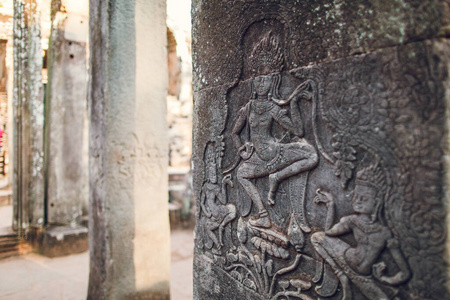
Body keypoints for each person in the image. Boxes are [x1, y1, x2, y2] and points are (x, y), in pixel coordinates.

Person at [231, 32, 318, 228]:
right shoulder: (249, 108)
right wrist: (241, 149)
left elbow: (298, 130)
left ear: (274, 80)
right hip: (257, 159)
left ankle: (277, 177)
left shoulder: (273, 108)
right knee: (241, 174)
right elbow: (234, 133)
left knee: (312, 155)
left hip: (275, 154)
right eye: (258, 77)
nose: (261, 82)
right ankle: (263, 215)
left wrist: (294, 102)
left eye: (266, 77)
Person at [311, 164, 410, 300]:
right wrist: (331, 205)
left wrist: (385, 279)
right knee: (317, 237)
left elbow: (405, 273)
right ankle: (341, 275)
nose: (358, 200)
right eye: (356, 196)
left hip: (365, 275)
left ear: (376, 202)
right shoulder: (351, 221)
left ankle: (346, 277)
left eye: (364, 198)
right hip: (346, 258)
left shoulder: (385, 233)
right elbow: (328, 232)